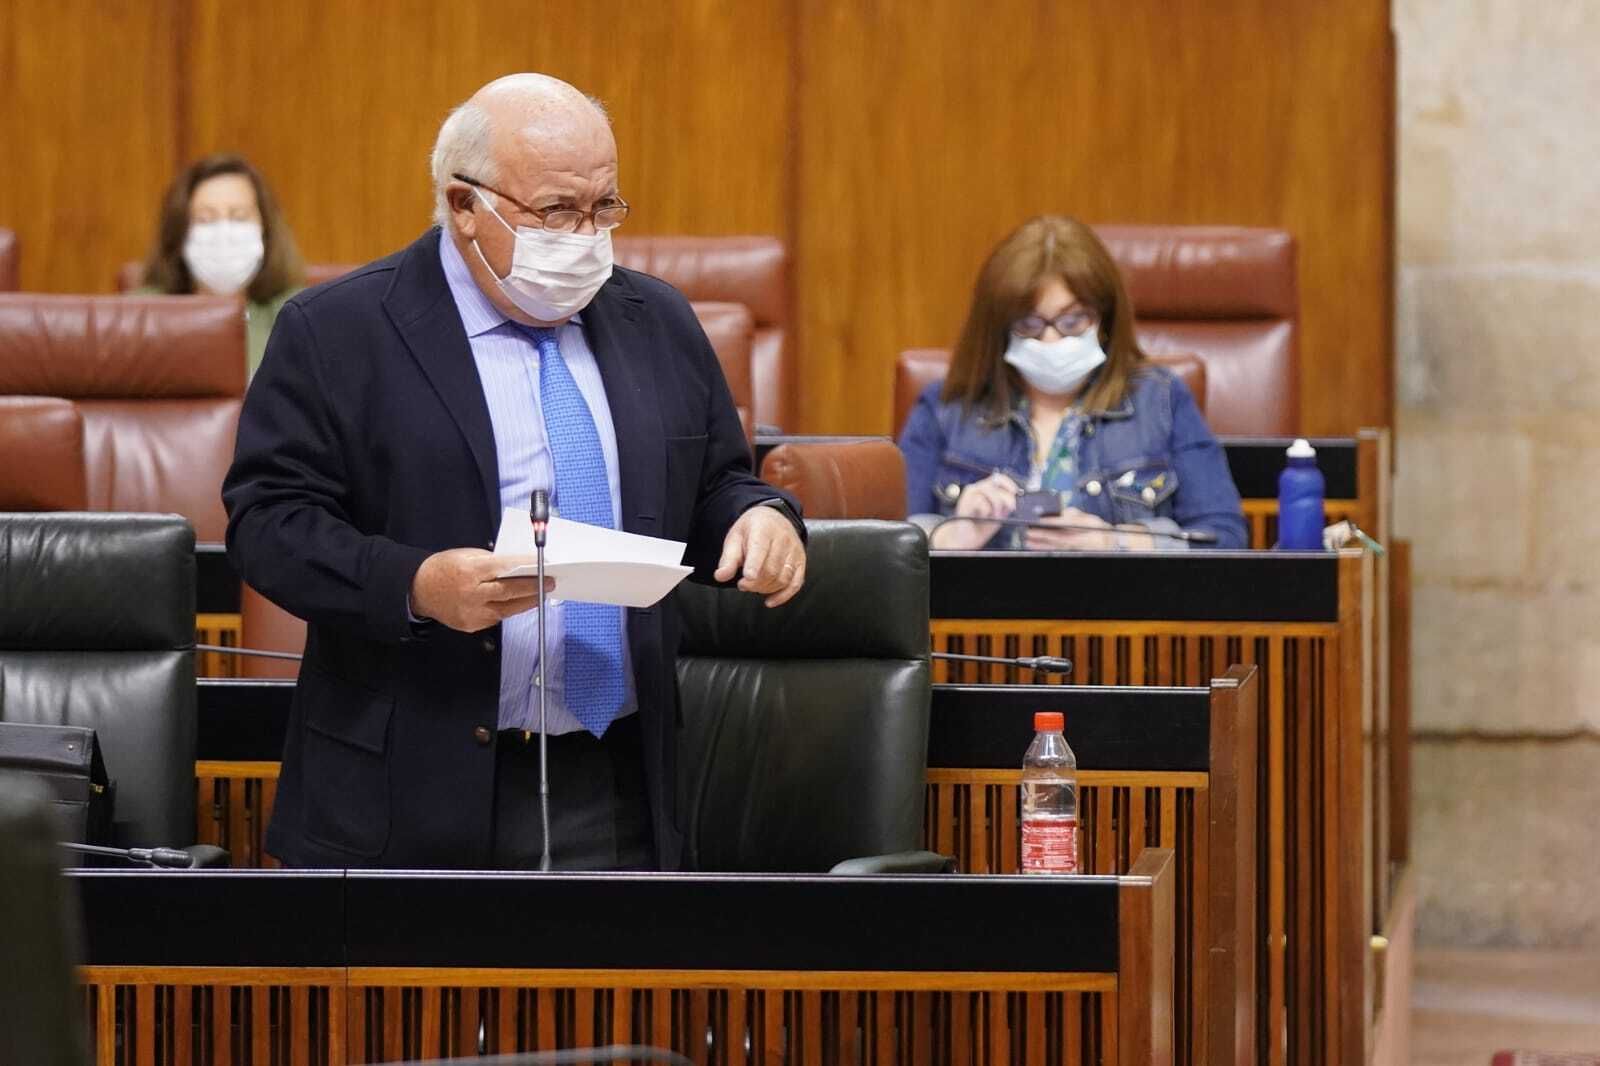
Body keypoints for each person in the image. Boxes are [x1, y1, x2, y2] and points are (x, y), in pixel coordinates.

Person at [222, 74, 807, 872]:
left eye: (605, 207)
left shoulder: (657, 322)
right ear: (465, 206)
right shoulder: (339, 333)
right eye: (558, 212)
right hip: (408, 787)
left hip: (618, 781)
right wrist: (416, 584)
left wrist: (760, 514)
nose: (587, 235)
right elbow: (268, 524)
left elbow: (712, 484)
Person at [898, 215, 1247, 551]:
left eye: (1073, 320)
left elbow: (1223, 538)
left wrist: (1115, 542)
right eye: (1029, 324)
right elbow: (887, 543)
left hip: (1120, 609)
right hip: (982, 610)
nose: (1051, 341)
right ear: (999, 329)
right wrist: (949, 538)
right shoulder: (947, 407)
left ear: (1106, 319)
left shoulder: (1161, 400)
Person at [137, 153, 305, 378]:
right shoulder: (143, 316)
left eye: (239, 217)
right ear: (179, 233)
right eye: (205, 219)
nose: (223, 233)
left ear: (266, 230)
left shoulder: (296, 317)